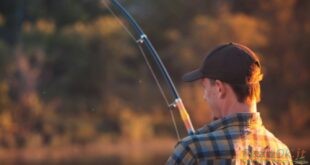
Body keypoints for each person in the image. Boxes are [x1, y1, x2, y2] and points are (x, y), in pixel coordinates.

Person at [167, 43, 293, 164]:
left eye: (204, 88)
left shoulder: (192, 151)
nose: (204, 97)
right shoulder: (282, 153)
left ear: (219, 88)